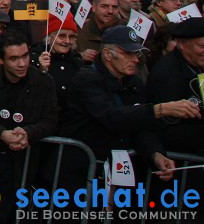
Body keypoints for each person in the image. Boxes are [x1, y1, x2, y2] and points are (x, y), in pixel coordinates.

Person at [60, 26, 197, 191]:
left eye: (137, 54)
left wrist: (155, 154)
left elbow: (138, 127)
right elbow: (111, 116)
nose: (135, 60)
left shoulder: (134, 84)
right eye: (127, 54)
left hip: (115, 173)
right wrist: (160, 109)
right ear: (108, 55)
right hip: (80, 173)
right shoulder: (86, 79)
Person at [0, 30, 58, 222]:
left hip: (24, 164)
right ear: (1, 60)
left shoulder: (43, 82)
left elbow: (51, 119)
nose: (22, 63)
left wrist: (28, 133)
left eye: (25, 56)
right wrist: (2, 133)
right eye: (14, 58)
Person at [146, 17, 204, 158]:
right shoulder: (166, 75)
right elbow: (167, 130)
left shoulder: (195, 66)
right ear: (181, 44)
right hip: (180, 165)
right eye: (202, 46)